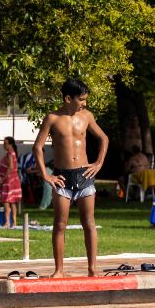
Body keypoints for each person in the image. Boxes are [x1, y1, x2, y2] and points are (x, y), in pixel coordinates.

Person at [33, 78, 109, 278]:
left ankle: (92, 268)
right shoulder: (52, 118)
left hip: (84, 174)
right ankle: (59, 270)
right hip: (62, 177)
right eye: (81, 99)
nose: (84, 103)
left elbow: (104, 138)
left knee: (89, 223)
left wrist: (98, 163)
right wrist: (46, 175)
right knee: (60, 224)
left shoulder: (87, 116)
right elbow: (37, 147)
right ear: (68, 98)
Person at [0, 137, 23, 229]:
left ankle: (7, 222)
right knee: (12, 202)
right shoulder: (13, 153)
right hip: (14, 180)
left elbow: (11, 167)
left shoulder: (10, 154)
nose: (4, 145)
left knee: (6, 202)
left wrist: (3, 179)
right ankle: (14, 223)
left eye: (5, 143)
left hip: (9, 180)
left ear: (10, 144)